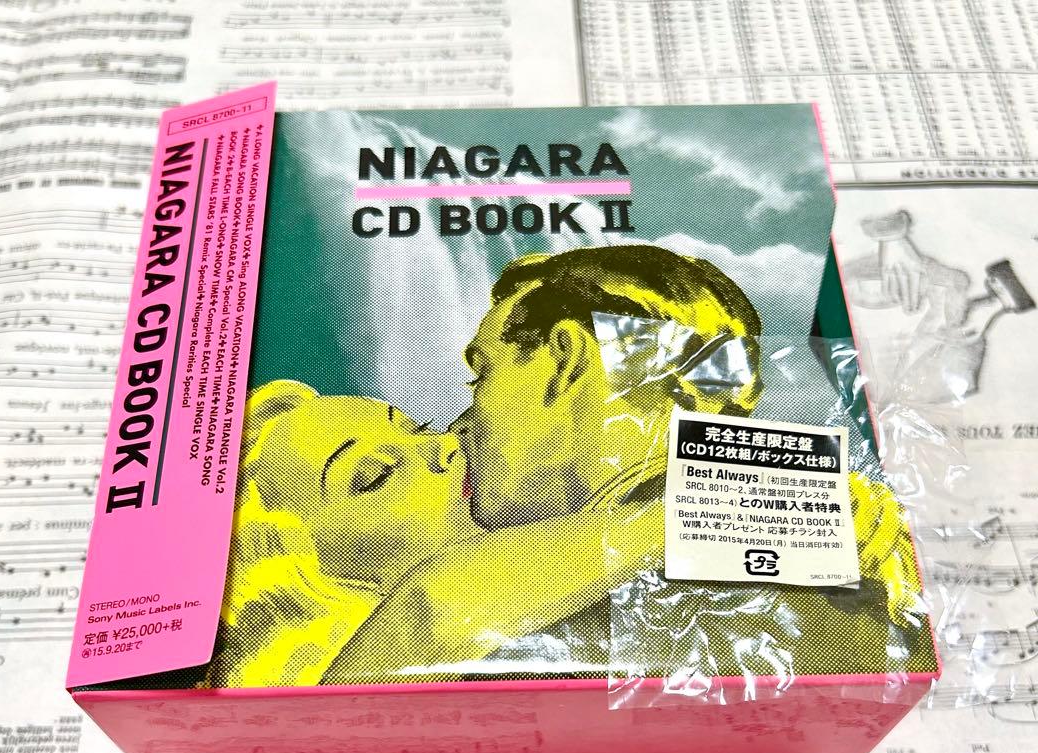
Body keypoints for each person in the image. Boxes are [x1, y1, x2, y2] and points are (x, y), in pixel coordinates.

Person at [324, 244, 936, 686]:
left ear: (563, 362)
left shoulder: (823, 553)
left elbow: (365, 685)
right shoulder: (835, 528)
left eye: (482, 375)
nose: (460, 426)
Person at [213, 379, 662, 686]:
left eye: (416, 426)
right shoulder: (349, 687)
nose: (441, 447)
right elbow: (436, 602)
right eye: (375, 475)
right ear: (314, 580)